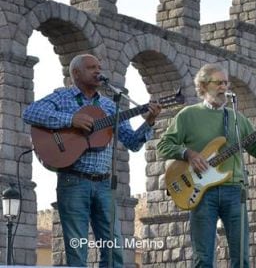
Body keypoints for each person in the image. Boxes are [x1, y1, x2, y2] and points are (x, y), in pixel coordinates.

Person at [22, 53, 162, 267]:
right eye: (91, 67)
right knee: (77, 250)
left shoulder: (110, 106)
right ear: (76, 73)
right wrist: (70, 119)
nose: (98, 71)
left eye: (99, 66)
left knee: (114, 248)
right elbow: (30, 112)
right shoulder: (62, 98)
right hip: (73, 181)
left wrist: (149, 122)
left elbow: (133, 142)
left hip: (104, 184)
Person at [157, 63, 256, 268]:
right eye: (219, 82)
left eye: (226, 82)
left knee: (241, 257)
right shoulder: (188, 115)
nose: (224, 87)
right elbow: (163, 145)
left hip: (234, 190)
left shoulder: (237, 118)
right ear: (204, 85)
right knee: (203, 258)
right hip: (200, 192)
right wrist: (188, 154)